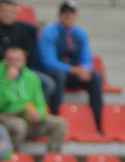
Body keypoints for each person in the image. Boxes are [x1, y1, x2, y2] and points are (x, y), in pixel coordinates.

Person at [37, 0, 102, 131]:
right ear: (59, 15)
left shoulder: (80, 34)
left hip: (73, 73)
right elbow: (48, 61)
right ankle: (55, 116)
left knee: (95, 77)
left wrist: (84, 69)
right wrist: (72, 70)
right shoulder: (49, 32)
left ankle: (97, 123)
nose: (68, 16)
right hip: (53, 72)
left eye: (71, 13)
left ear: (76, 16)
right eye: (65, 13)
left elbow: (87, 57)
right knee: (59, 75)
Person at [0, 46, 66, 152]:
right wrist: (7, 81)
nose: (14, 63)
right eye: (11, 60)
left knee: (60, 123)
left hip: (28, 116)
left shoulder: (31, 77)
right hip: (5, 117)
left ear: (24, 61)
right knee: (19, 126)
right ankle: (12, 160)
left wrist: (39, 114)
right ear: (5, 60)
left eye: (18, 60)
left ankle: (52, 161)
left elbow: (40, 102)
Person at [0, 0, 53, 103]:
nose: (7, 15)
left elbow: (32, 57)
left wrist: (19, 67)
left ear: (16, 13)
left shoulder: (26, 30)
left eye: (10, 11)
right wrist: (11, 65)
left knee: (49, 84)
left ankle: (38, 111)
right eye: (4, 11)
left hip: (24, 71)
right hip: (0, 71)